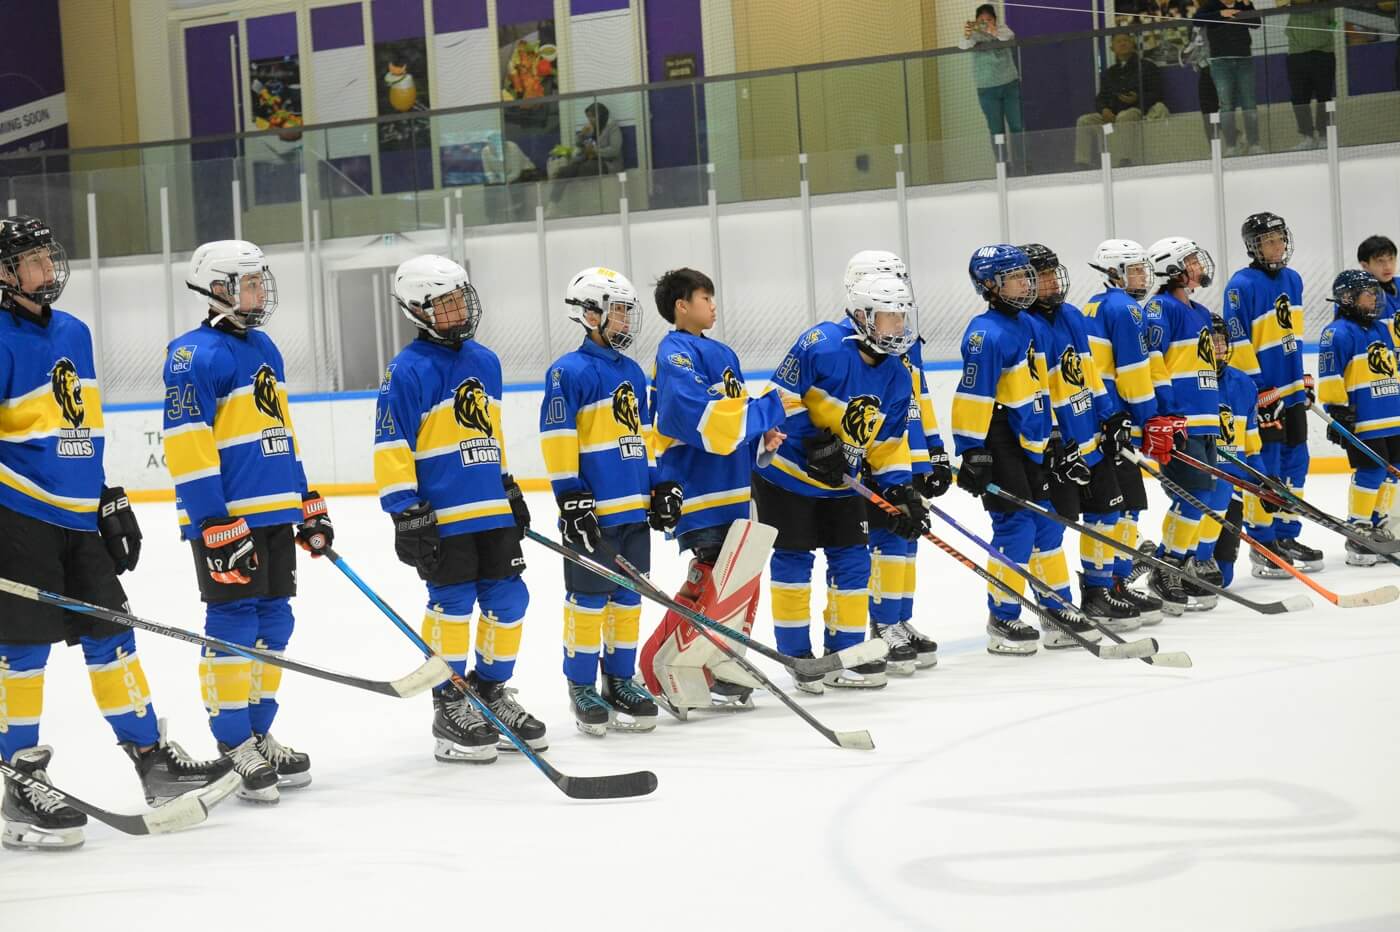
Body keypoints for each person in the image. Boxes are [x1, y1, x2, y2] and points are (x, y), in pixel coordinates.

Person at [0, 216, 233, 851]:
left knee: (113, 636)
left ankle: (152, 760)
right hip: (17, 515)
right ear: (3, 273)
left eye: (50, 258)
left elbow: (83, 426)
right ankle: (18, 781)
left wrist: (104, 496)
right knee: (22, 652)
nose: (50, 271)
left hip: (78, 517)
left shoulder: (75, 331)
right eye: (34, 262)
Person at [164, 239, 328, 803]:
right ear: (219, 288)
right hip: (227, 519)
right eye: (250, 282)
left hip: (273, 513)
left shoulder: (265, 349)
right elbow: (187, 445)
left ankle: (260, 731)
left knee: (274, 623)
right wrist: (211, 522)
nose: (262, 292)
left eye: (261, 281)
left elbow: (280, 433)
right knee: (232, 624)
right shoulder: (192, 354)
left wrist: (304, 499)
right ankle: (234, 742)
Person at [373, 255, 545, 765]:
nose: (458, 308)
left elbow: (487, 434)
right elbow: (391, 444)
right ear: (418, 309)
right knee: (451, 607)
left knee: (510, 600)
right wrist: (405, 510)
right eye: (444, 302)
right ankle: (450, 703)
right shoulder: (406, 370)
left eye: (459, 298)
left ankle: (490, 693)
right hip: (442, 515)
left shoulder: (486, 361)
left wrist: (508, 487)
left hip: (490, 508)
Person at [753, 274, 919, 689]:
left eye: (901, 317)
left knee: (853, 562)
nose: (899, 327)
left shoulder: (898, 375)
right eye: (889, 318)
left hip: (843, 484)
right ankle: (797, 656)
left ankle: (843, 654)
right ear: (863, 316)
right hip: (787, 477)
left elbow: (887, 443)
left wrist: (899, 489)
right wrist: (814, 442)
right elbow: (780, 397)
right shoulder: (821, 343)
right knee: (794, 563)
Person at [639, 267, 787, 714]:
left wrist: (761, 436)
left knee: (739, 582)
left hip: (734, 486)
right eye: (705, 297)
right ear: (682, 306)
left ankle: (719, 661)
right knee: (710, 579)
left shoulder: (723, 352)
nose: (713, 304)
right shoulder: (674, 353)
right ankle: (656, 665)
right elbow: (693, 416)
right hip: (700, 490)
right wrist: (764, 412)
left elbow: (733, 416)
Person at [952, 245, 1101, 655]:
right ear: (990, 286)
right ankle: (1002, 617)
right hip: (998, 440)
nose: (1027, 283)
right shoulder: (985, 333)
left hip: (1031, 439)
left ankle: (1056, 611)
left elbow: (1044, 388)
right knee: (1016, 529)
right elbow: (972, 397)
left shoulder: (1031, 326)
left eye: (1027, 276)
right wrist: (972, 450)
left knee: (1049, 523)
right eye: (1016, 278)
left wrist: (1053, 437)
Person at [540, 267, 667, 736]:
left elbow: (643, 437)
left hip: (632, 509)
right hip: (593, 513)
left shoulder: (632, 372)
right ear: (588, 313)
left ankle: (619, 680)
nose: (625, 322)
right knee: (588, 600)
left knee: (628, 600)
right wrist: (569, 495)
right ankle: (581, 685)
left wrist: (657, 485)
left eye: (627, 313)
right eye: (617, 312)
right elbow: (556, 436)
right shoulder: (568, 371)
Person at [1021, 244, 1141, 631]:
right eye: (1042, 275)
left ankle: (1099, 590)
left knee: (1106, 517)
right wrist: (1054, 437)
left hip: (1089, 440)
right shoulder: (1027, 327)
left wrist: (1112, 415)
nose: (1053, 281)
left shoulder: (1072, 315)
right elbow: (1033, 393)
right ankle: (1054, 607)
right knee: (1051, 530)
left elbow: (1090, 375)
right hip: (1059, 450)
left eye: (1054, 272)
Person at [843, 252, 947, 673]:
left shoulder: (903, 341)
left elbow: (918, 401)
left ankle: (900, 619)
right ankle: (882, 623)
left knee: (906, 541)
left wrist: (934, 450)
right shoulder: (857, 347)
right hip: (876, 459)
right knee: (884, 543)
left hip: (906, 457)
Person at [1221, 212, 1323, 578]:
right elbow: (1236, 339)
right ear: (1254, 247)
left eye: (1280, 238)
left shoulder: (1293, 280)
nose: (1277, 245)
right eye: (1268, 241)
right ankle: (1264, 545)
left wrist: (1302, 377)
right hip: (1264, 394)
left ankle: (1286, 534)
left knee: (1297, 465)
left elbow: (1290, 336)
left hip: (1292, 391)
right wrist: (1259, 387)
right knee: (1270, 469)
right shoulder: (1240, 285)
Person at [1082, 239, 1166, 623]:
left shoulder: (1096, 305)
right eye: (1133, 270)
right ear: (1113, 273)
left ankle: (1115, 582)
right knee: (1119, 507)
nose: (1142, 276)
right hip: (1117, 419)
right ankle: (1107, 586)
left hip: (1102, 419)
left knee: (1124, 504)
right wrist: (1151, 419)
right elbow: (1133, 372)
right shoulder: (1125, 308)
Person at [1141, 236, 1222, 613]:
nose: (1198, 265)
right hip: (1181, 421)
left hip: (1205, 419)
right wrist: (1163, 413)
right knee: (1192, 497)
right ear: (1172, 268)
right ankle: (1166, 566)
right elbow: (1152, 361)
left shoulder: (1202, 312)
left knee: (1201, 498)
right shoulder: (1160, 308)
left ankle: (1178, 561)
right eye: (1190, 260)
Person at [1316, 271, 1400, 564]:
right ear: (1348, 298)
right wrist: (1337, 411)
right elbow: (1330, 374)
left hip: (1391, 415)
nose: (1374, 298)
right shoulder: (1336, 332)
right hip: (1364, 419)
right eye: (1367, 293)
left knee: (1393, 471)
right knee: (1371, 471)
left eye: (1375, 293)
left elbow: (1391, 369)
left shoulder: (1381, 329)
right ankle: (1358, 528)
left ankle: (1378, 524)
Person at [1200, 314, 1269, 589]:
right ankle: (1167, 561)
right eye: (1212, 341)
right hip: (1204, 485)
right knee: (1200, 566)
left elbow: (1251, 445)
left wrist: (1263, 481)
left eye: (1221, 341)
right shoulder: (1190, 383)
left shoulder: (1243, 384)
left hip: (1234, 486)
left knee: (1224, 577)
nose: (1218, 347)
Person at [1075, 33, 1168, 167]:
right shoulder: (1109, 73)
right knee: (1084, 120)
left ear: (1132, 44)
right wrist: (1104, 110)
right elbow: (1101, 97)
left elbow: (1157, 93)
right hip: (1112, 114)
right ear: (1112, 48)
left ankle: (1125, 160)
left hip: (1138, 111)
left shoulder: (1147, 67)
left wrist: (1138, 98)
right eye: (1118, 41)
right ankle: (1082, 163)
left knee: (1125, 116)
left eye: (1126, 40)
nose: (1123, 43)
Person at [958, 4, 1025, 168]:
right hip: (987, 89)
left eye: (989, 19)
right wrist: (967, 35)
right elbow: (962, 45)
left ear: (995, 20)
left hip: (1010, 85)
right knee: (996, 129)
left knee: (1017, 125)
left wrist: (992, 30)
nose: (985, 22)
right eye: (981, 20)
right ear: (975, 21)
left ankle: (1022, 162)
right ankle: (1002, 164)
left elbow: (1007, 37)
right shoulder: (973, 35)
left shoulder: (1003, 29)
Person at [1195, 0, 1262, 155]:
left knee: (1249, 103)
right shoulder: (1211, 5)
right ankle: (1231, 146)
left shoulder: (1244, 4)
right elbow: (1196, 20)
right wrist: (1221, 14)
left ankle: (1254, 144)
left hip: (1244, 59)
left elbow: (1256, 23)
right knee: (1226, 105)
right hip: (1220, 63)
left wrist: (1247, 6)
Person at [1284, 0, 1338, 149]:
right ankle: (1307, 136)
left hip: (1324, 54)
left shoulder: (1327, 5)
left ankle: (1323, 136)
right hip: (1297, 55)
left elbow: (1333, 24)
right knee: (1299, 98)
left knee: (1324, 96)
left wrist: (1325, 35)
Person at [547, 103, 623, 206]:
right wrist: (582, 135)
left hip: (607, 162)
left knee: (584, 169)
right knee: (565, 171)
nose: (590, 120)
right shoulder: (590, 128)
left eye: (593, 117)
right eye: (588, 117)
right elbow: (579, 146)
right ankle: (552, 205)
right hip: (588, 160)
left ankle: (582, 205)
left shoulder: (612, 126)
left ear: (600, 115)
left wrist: (595, 151)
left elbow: (615, 150)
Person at [1358, 235, 1400, 325]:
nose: (1388, 266)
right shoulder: (1356, 295)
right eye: (1380, 261)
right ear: (1365, 265)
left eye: (1391, 259)